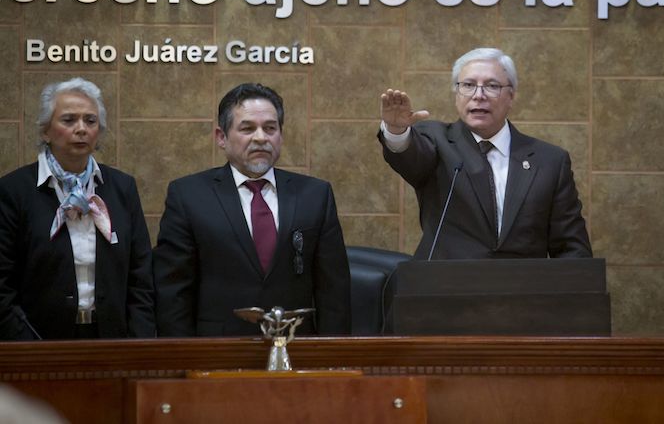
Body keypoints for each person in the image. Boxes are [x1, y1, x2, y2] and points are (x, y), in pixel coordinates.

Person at [154, 82, 351, 336]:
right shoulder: (188, 195)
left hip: (297, 350)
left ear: (280, 135)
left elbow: (333, 292)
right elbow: (173, 293)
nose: (261, 138)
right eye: (247, 128)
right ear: (221, 137)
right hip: (217, 352)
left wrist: (333, 362)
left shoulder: (315, 195)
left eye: (270, 128)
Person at [379, 48, 592, 259]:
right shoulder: (435, 140)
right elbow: (410, 156)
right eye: (468, 85)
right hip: (446, 287)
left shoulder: (550, 161)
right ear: (456, 95)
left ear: (511, 96)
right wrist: (397, 131)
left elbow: (571, 248)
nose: (478, 96)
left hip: (523, 289)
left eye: (492, 86)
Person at [0, 78, 155, 340]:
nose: (81, 129)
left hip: (113, 340)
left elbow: (141, 276)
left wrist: (138, 342)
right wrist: (28, 347)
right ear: (46, 130)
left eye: (90, 121)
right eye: (69, 120)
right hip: (38, 342)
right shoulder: (14, 190)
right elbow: (3, 286)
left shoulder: (121, 187)